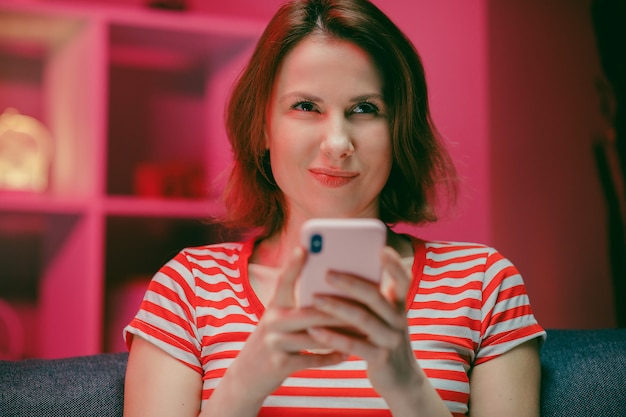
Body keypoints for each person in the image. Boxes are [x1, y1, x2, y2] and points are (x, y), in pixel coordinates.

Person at [123, 0, 546, 416]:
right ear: (262, 127)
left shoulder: (485, 285)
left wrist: (406, 384)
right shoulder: (188, 289)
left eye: (365, 109)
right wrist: (246, 382)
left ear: (398, 129)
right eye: (306, 107)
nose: (338, 144)